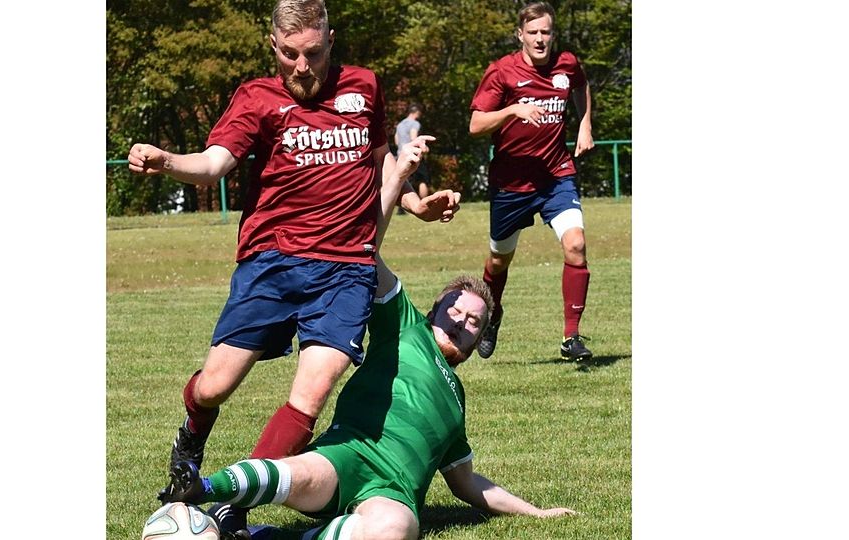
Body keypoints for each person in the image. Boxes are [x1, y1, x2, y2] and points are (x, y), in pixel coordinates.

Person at [126, 0, 459, 508]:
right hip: (273, 262)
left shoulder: (364, 86)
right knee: (214, 387)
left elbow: (377, 161)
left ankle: (225, 508)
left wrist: (414, 202)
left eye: (312, 52)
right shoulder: (255, 98)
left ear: (330, 40)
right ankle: (191, 437)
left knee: (311, 395)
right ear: (273, 47)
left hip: (348, 268)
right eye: (289, 55)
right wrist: (167, 160)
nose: (302, 67)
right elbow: (216, 163)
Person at [157, 153, 576, 539]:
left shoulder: (457, 401)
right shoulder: (405, 323)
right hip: (348, 452)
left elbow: (468, 483)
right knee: (299, 473)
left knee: (395, 529)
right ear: (435, 309)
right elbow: (363, 251)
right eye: (455, 309)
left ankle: (275, 537)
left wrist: (537, 514)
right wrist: (394, 180)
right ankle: (203, 490)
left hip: (393, 491)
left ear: (479, 340)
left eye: (473, 322)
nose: (462, 321)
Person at [468, 1, 595, 361]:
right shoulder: (501, 73)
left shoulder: (566, 63)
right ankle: (493, 315)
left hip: (556, 175)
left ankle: (572, 337)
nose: (541, 40)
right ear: (520, 35)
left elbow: (581, 86)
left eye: (546, 32)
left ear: (553, 34)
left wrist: (585, 124)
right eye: (534, 33)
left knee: (576, 245)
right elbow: (475, 125)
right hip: (511, 185)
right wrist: (512, 110)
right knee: (497, 263)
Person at [394, 104, 430, 201]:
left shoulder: (400, 125)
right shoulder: (415, 124)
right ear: (417, 112)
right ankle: (425, 203)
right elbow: (413, 137)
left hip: (401, 155)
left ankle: (402, 207)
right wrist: (424, 148)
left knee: (404, 181)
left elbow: (397, 141)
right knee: (422, 179)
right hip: (414, 154)